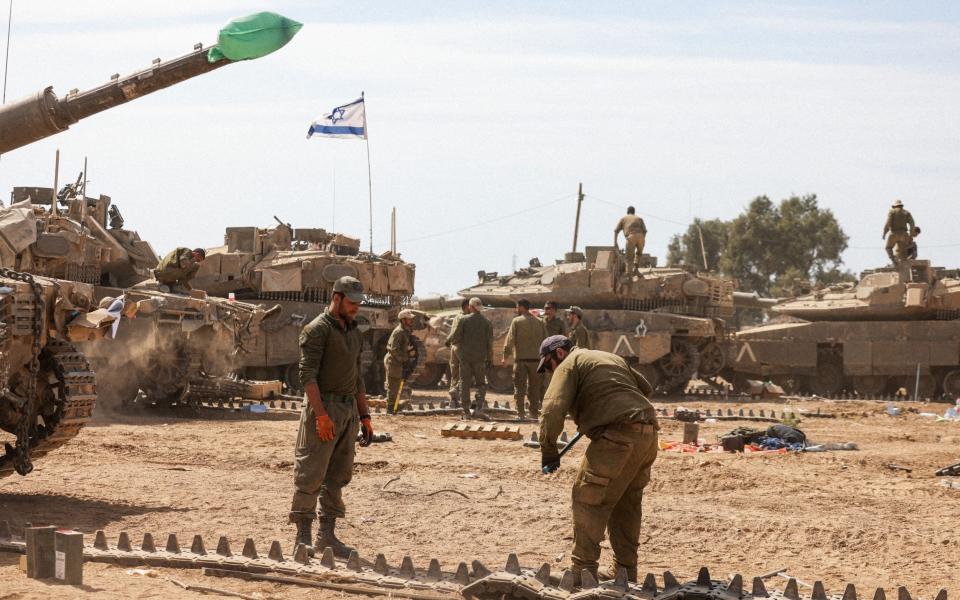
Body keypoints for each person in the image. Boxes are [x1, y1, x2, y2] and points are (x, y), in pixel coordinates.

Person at [537, 335, 659, 584]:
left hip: (617, 437)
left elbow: (552, 408)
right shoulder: (608, 357)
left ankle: (582, 570)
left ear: (558, 354)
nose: (551, 372)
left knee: (588, 498)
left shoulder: (569, 363)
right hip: (647, 435)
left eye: (548, 365)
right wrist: (601, 403)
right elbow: (644, 388)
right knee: (626, 503)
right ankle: (625, 571)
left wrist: (549, 451)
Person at [290, 276, 374, 558]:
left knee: (338, 476)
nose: (356, 308)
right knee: (311, 472)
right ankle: (302, 536)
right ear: (336, 298)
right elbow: (307, 376)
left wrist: (365, 416)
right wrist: (321, 415)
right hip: (323, 408)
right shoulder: (317, 330)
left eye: (359, 303)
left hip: (348, 411)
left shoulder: (354, 333)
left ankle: (327, 536)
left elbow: (357, 377)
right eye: (352, 303)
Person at [445, 297, 493, 418]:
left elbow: (455, 337)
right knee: (481, 384)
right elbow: (489, 343)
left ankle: (466, 411)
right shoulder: (487, 323)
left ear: (470, 307)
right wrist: (489, 358)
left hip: (465, 358)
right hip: (480, 359)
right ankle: (477, 406)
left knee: (464, 383)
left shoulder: (463, 320)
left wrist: (449, 342)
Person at [502, 299, 547, 419]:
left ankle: (521, 414)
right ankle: (533, 414)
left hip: (521, 361)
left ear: (521, 307)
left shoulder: (516, 321)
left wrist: (505, 357)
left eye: (517, 307)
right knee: (535, 389)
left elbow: (510, 340)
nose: (516, 310)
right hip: (537, 361)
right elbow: (546, 341)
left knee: (519, 388)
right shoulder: (540, 322)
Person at [384, 309, 417, 414]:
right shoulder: (399, 332)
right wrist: (405, 359)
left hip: (398, 361)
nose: (411, 321)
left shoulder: (405, 331)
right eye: (409, 319)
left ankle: (394, 406)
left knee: (397, 385)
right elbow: (393, 349)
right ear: (403, 320)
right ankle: (390, 409)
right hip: (394, 362)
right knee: (393, 387)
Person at [445, 298, 471, 407]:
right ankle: (457, 392)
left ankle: (453, 400)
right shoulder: (465, 318)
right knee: (465, 373)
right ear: (467, 307)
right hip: (462, 347)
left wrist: (448, 341)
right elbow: (456, 332)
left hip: (454, 347)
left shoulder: (457, 316)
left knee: (454, 374)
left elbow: (452, 332)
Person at [614, 207, 647, 272]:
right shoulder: (639, 218)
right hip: (641, 236)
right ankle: (636, 269)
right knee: (639, 254)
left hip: (631, 236)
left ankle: (629, 276)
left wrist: (615, 242)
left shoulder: (623, 219)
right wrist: (642, 240)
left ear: (627, 212)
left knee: (629, 257)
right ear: (634, 212)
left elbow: (616, 231)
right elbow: (645, 231)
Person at [882, 200, 916, 264]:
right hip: (903, 234)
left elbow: (888, 223)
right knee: (902, 252)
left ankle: (893, 260)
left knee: (888, 247)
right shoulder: (907, 213)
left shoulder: (892, 212)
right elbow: (912, 225)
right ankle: (903, 265)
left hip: (893, 233)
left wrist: (884, 233)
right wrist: (910, 236)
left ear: (894, 206)